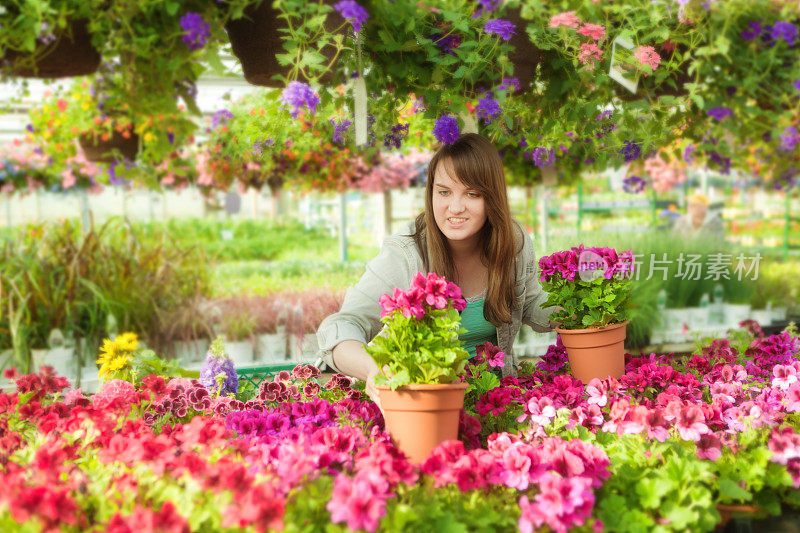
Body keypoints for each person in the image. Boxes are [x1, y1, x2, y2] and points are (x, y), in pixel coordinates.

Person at [316, 133, 556, 405]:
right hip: (425, 408)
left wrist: (577, 307)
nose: (455, 207)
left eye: (472, 193)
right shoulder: (406, 253)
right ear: (430, 193)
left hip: (496, 403)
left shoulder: (513, 242)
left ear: (492, 198)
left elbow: (532, 302)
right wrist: (373, 369)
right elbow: (341, 327)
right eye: (444, 192)